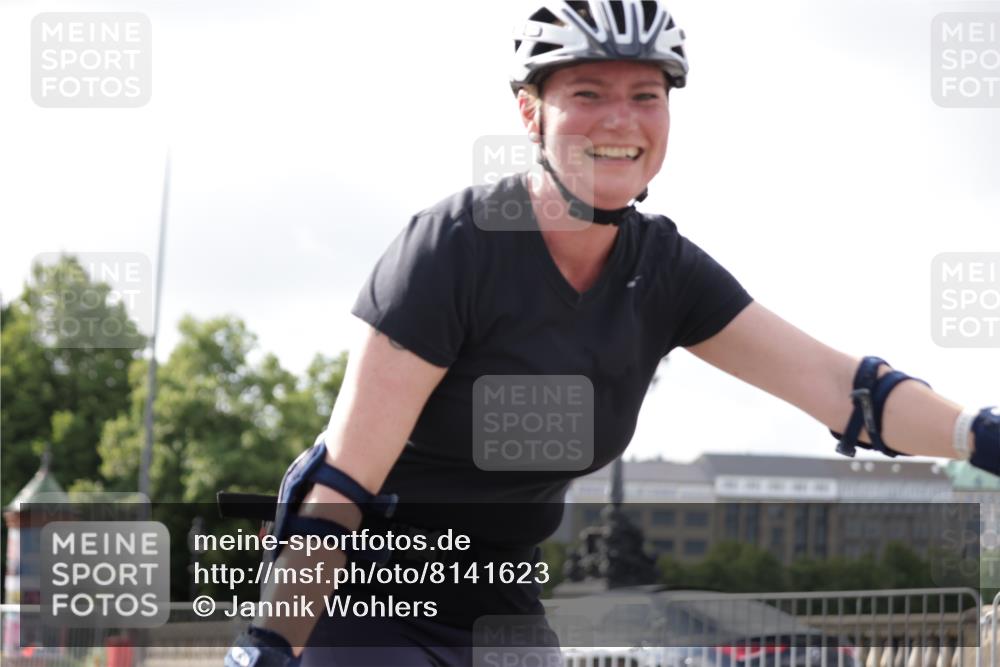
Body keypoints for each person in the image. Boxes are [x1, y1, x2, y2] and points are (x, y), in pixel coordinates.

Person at [224, 1, 1000, 665]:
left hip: (500, 601)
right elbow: (339, 484)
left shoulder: (664, 271)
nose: (621, 119)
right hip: (364, 595)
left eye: (646, 95)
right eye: (588, 93)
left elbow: (842, 388)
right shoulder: (456, 247)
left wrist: (979, 434)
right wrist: (270, 643)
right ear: (531, 112)